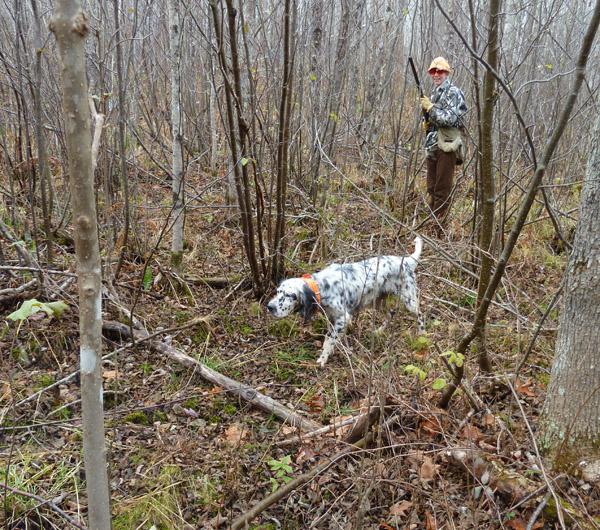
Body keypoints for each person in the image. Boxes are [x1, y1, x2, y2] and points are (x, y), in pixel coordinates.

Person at [420, 56, 467, 226]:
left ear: (446, 73)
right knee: (432, 187)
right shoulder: (435, 93)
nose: (436, 74)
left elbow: (452, 118)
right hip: (433, 145)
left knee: (442, 189)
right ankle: (431, 223)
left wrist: (431, 108)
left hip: (447, 145)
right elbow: (434, 121)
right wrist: (426, 119)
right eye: (433, 71)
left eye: (440, 71)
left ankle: (437, 228)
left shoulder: (453, 92)